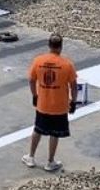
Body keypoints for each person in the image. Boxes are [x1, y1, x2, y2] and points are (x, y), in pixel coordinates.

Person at [22, 33, 78, 172]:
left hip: (43, 104)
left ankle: (31, 156)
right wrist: (74, 102)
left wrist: (35, 95)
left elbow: (31, 80)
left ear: (49, 45)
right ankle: (50, 161)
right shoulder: (67, 64)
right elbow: (74, 85)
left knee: (38, 129)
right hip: (60, 106)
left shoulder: (38, 61)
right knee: (55, 133)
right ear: (61, 47)